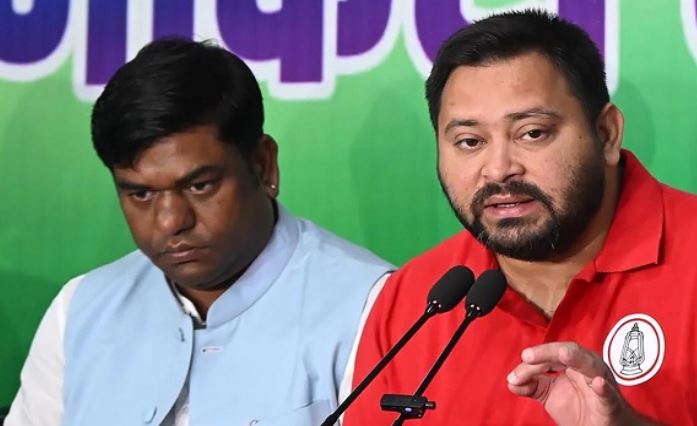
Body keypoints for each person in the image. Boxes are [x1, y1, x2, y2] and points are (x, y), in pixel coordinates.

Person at [6, 39, 393, 426]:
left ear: (263, 165)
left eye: (199, 186)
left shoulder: (370, 308)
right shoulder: (78, 311)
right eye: (141, 194)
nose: (170, 222)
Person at [343, 9, 697, 425]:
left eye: (532, 133)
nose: (498, 169)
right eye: (469, 141)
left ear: (606, 134)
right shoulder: (414, 302)